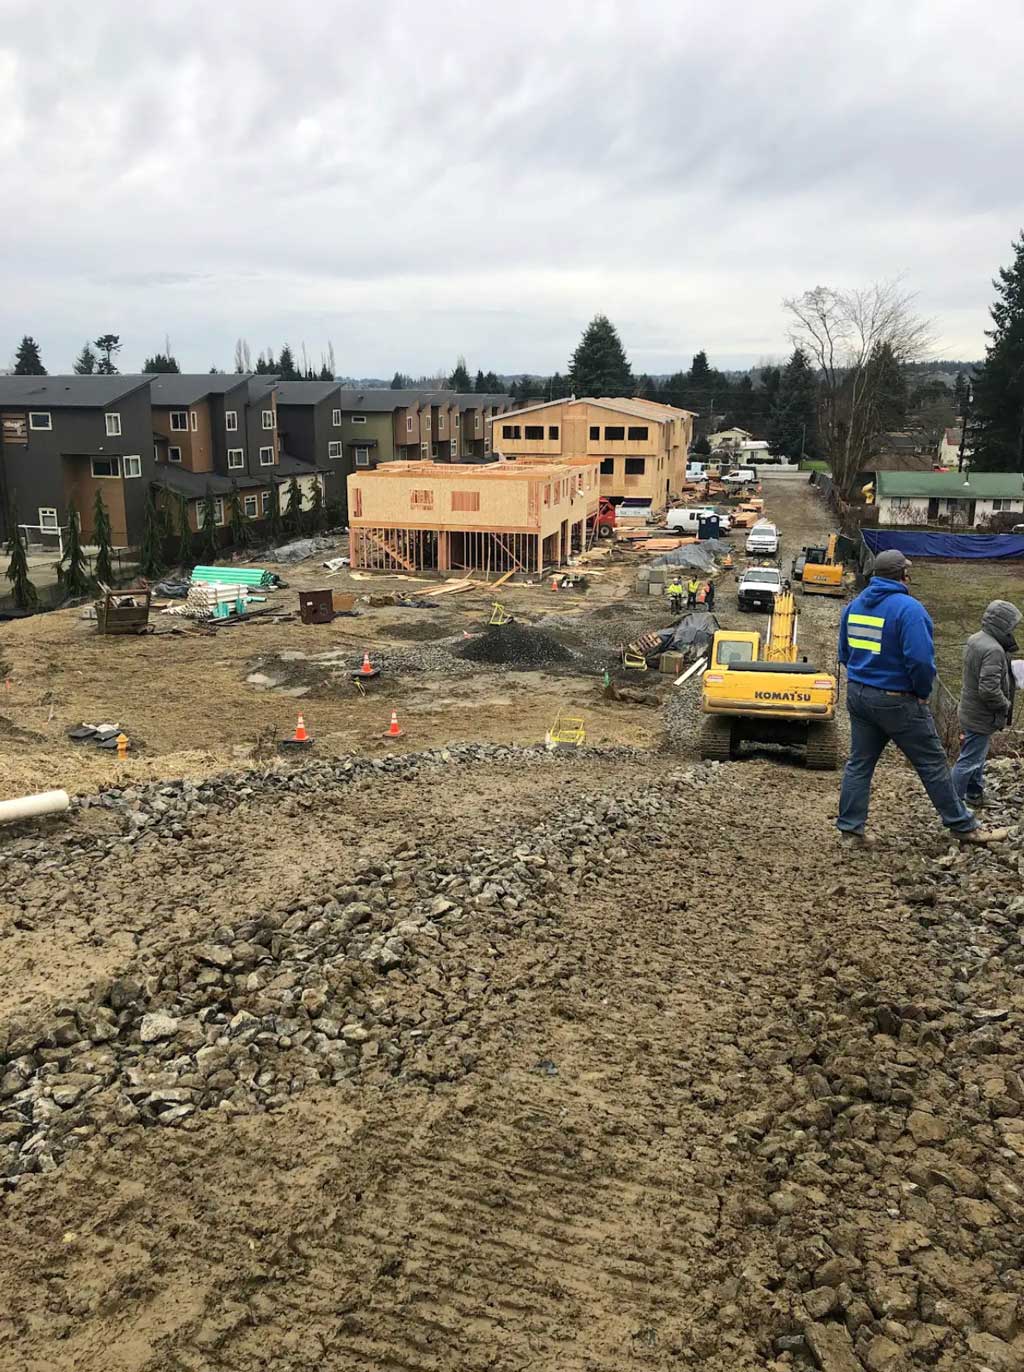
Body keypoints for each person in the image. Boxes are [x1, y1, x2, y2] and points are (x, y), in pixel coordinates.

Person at [836, 549, 1005, 846]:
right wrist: (921, 693)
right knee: (932, 763)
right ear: (903, 576)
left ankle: (851, 830)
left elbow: (845, 655)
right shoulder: (909, 610)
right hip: (898, 700)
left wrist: (867, 678)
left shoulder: (854, 607)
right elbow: (921, 662)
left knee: (860, 763)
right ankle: (963, 826)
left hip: (859, 695)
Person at [951, 600, 1022, 805]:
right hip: (980, 715)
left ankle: (975, 794)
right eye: (1011, 625)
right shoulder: (994, 650)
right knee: (969, 761)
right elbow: (988, 689)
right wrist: (1005, 705)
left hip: (970, 710)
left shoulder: (976, 639)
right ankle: (952, 805)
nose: (1013, 630)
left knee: (976, 757)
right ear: (1002, 624)